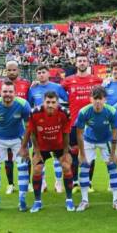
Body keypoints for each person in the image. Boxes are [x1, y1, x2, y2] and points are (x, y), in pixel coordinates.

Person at [0, 80, 31, 212]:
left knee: (22, 167)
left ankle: (22, 200)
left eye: (10, 91)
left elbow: (28, 127)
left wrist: (24, 146)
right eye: (5, 91)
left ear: (15, 93)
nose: (7, 94)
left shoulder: (23, 104)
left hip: (18, 139)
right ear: (0, 92)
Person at [21, 91, 74, 212]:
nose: (50, 105)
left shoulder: (64, 113)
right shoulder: (35, 113)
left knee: (66, 166)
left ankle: (69, 200)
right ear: (43, 102)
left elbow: (66, 134)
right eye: (48, 102)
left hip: (59, 144)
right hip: (42, 146)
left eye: (53, 102)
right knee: (37, 169)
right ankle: (37, 201)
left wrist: (65, 153)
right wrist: (37, 152)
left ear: (58, 102)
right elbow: (33, 133)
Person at [75, 86, 117, 211]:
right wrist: (81, 152)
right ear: (90, 99)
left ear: (105, 100)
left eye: (100, 99)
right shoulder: (84, 112)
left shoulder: (111, 111)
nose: (97, 102)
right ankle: (84, 200)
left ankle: (116, 200)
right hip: (89, 140)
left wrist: (114, 153)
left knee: (112, 166)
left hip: (106, 141)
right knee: (84, 167)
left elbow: (115, 132)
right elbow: (79, 134)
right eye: (95, 99)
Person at [62, 55, 103, 193]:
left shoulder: (96, 80)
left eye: (84, 60)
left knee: (89, 155)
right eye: (79, 61)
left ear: (88, 62)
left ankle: (88, 182)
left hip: (92, 124)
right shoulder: (68, 81)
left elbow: (110, 84)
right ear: (76, 63)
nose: (82, 63)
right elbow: (55, 89)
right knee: (74, 154)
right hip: (74, 124)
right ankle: (74, 183)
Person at [28, 65, 69, 193]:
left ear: (48, 74)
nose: (41, 74)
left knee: (58, 158)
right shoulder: (33, 88)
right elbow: (29, 105)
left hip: (56, 127)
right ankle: (43, 183)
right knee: (40, 157)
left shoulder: (57, 87)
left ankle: (58, 182)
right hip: (41, 128)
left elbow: (67, 101)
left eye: (43, 72)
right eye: (39, 72)